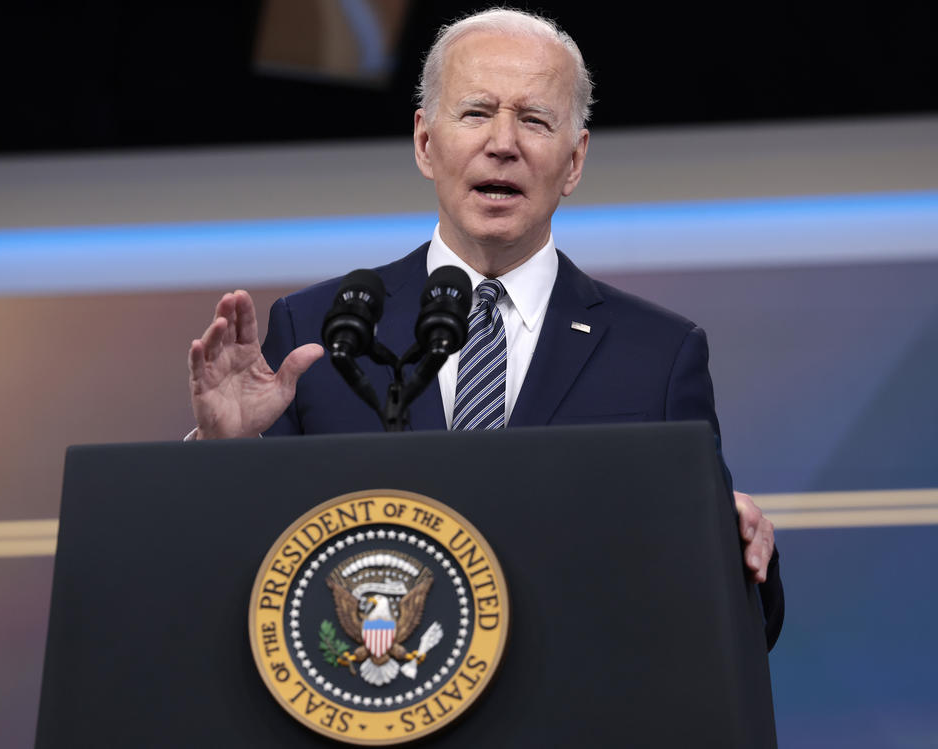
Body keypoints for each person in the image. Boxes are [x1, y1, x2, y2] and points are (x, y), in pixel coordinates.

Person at [187, 8, 782, 648]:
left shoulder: (659, 355)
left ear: (575, 160)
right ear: (424, 142)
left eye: (534, 119)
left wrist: (743, 555)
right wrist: (221, 455)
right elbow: (237, 591)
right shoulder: (320, 331)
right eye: (475, 113)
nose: (503, 142)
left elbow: (730, 623)